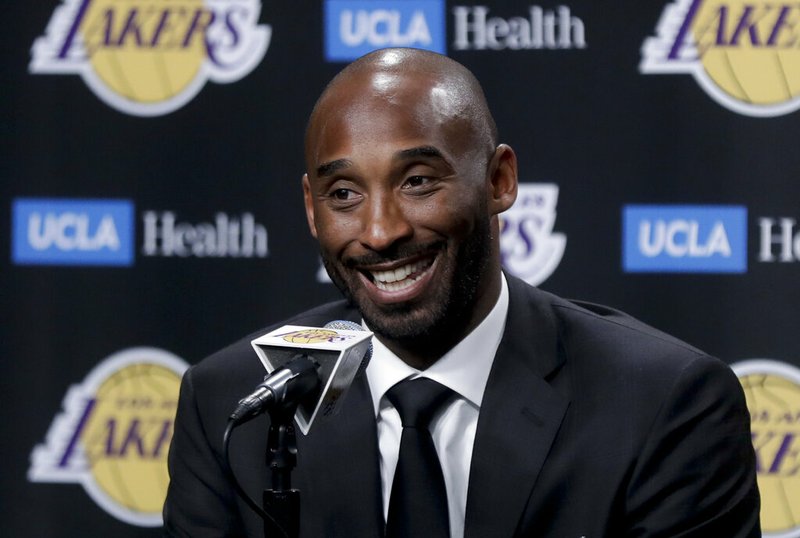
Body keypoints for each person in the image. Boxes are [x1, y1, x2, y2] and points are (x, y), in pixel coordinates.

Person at [163, 48, 760, 537]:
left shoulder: (665, 405)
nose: (380, 231)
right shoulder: (231, 407)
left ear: (499, 181)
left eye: (418, 182)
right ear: (311, 211)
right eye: (343, 193)